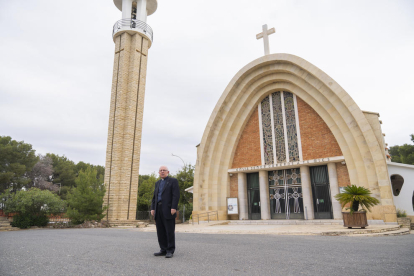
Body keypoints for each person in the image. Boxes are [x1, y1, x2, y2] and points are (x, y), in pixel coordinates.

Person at [151, 166, 180, 258]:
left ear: (168, 172)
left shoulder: (173, 181)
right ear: (158, 172)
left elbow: (176, 195)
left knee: (169, 231)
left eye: (164, 170)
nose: (162, 172)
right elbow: (154, 197)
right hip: (158, 209)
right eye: (161, 170)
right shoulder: (157, 183)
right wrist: (152, 208)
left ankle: (170, 250)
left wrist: (174, 207)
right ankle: (163, 249)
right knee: (160, 231)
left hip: (168, 210)